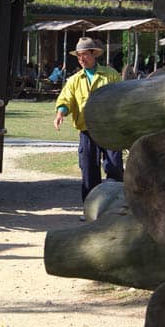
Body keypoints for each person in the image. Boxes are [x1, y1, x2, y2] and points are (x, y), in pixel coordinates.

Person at [53, 37, 124, 213]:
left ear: (94, 54)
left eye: (85, 55)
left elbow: (122, 97)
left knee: (114, 167)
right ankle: (89, 209)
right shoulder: (74, 80)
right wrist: (60, 112)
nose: (82, 59)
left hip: (110, 130)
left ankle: (117, 207)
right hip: (87, 130)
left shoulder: (111, 75)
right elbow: (66, 99)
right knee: (88, 170)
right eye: (79, 56)